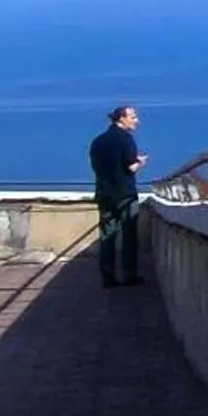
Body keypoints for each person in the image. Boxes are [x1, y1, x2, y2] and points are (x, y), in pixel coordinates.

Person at [87, 104, 148, 287]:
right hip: (125, 195)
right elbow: (131, 167)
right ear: (121, 118)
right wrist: (141, 162)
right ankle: (129, 275)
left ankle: (108, 277)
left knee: (107, 236)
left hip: (104, 194)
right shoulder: (126, 139)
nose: (136, 120)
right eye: (133, 117)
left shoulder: (98, 141)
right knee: (129, 235)